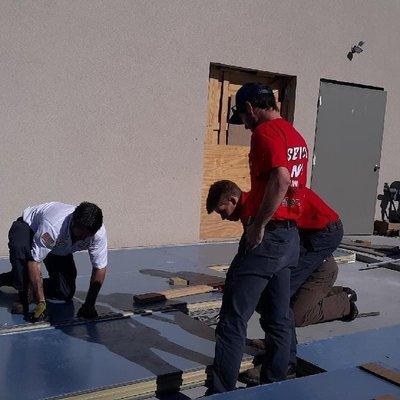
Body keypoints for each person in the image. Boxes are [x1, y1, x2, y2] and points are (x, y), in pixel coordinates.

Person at [205, 82, 309, 394]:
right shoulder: (295, 135)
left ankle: (221, 390)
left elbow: (281, 177)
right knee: (278, 315)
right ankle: (276, 380)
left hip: (272, 235)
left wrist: (258, 224)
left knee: (233, 318)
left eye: (243, 117)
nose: (246, 125)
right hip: (290, 238)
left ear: (251, 107)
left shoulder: (266, 133)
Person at [206, 180, 358, 385]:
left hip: (324, 233)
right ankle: (280, 357)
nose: (223, 217)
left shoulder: (258, 207)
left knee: (276, 301)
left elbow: (259, 249)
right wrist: (237, 281)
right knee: (276, 301)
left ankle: (284, 364)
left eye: (222, 210)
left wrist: (243, 282)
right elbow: (250, 248)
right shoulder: (253, 205)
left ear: (233, 199)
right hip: (304, 234)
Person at [0, 201, 107, 321]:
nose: (82, 239)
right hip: (30, 228)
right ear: (73, 222)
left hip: (58, 247)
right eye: (80, 235)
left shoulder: (98, 234)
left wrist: (89, 304)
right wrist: (41, 302)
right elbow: (34, 261)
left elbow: (99, 268)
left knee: (64, 292)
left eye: (87, 236)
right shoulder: (53, 226)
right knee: (20, 250)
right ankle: (24, 293)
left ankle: (17, 281)